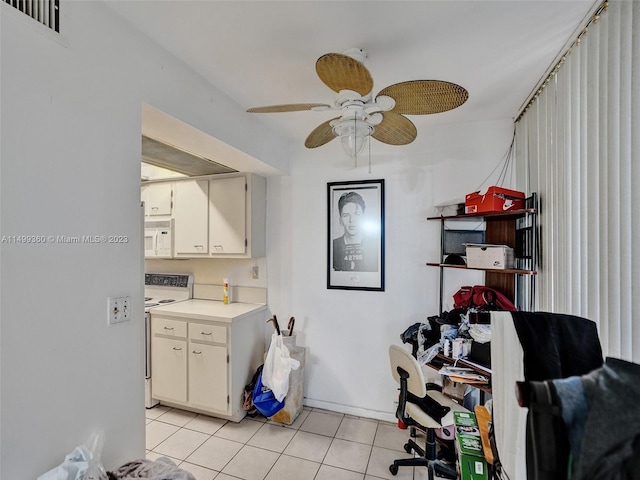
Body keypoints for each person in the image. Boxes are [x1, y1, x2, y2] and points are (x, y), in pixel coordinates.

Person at [332, 191, 378, 272]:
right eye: (346, 215)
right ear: (340, 220)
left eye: (356, 214)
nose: (352, 220)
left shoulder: (376, 246)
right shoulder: (333, 247)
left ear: (363, 217)